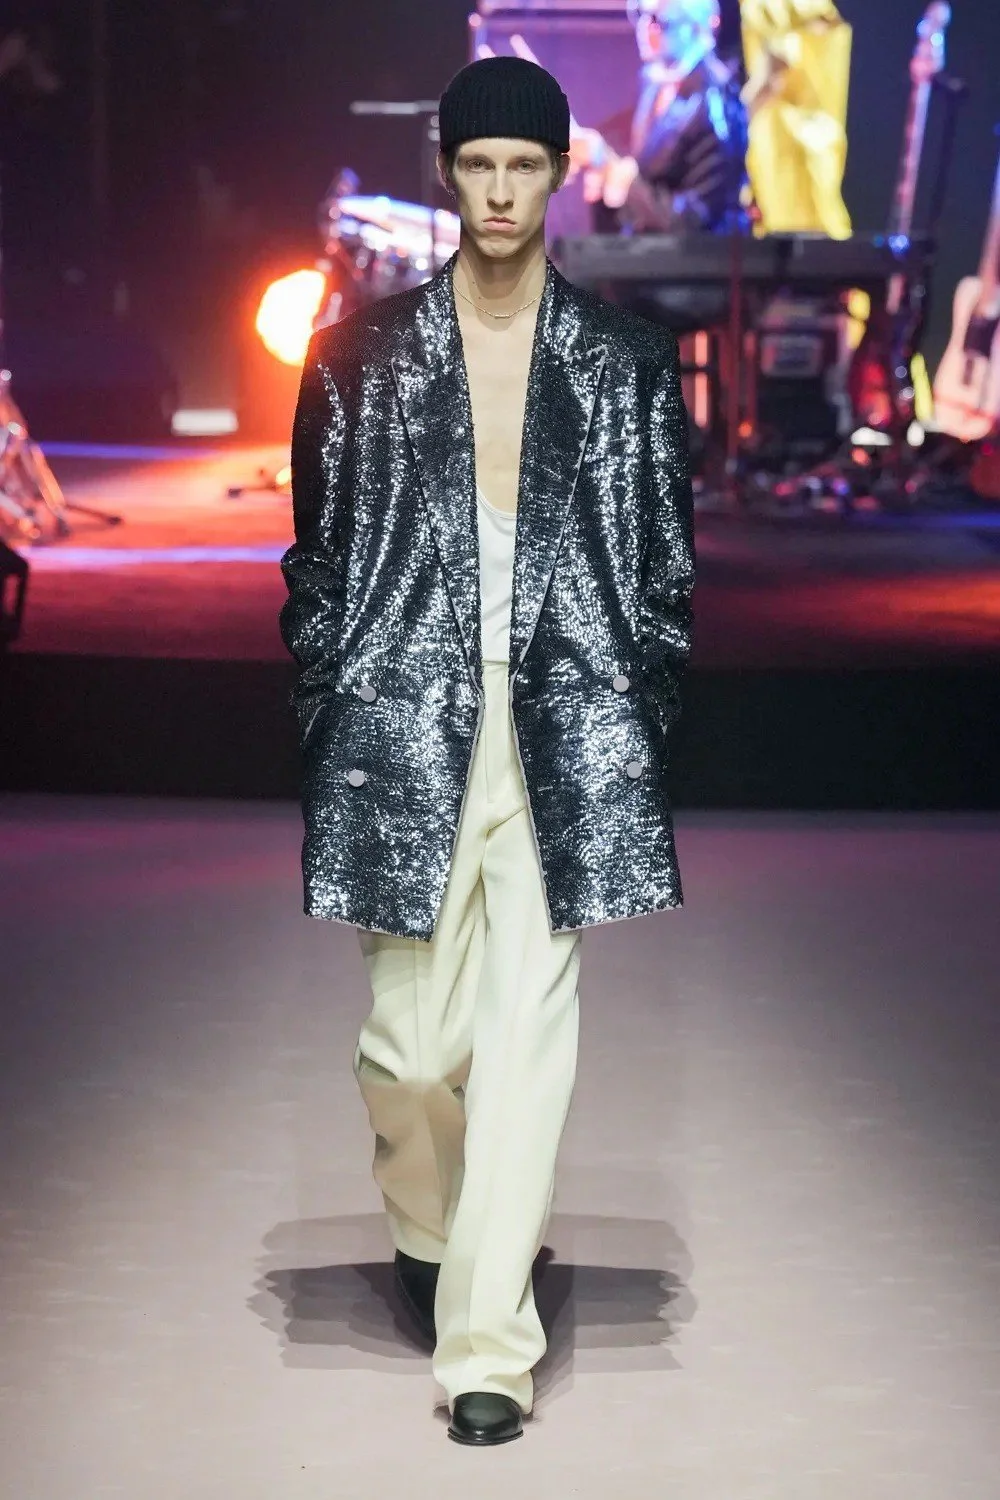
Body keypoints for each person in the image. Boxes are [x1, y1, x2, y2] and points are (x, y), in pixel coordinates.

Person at [279, 55, 694, 1448]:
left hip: (563, 728)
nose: (501, 189)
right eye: (479, 164)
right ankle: (432, 1227)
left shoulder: (626, 363)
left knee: (526, 1039)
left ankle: (487, 1351)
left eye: (524, 165)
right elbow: (317, 558)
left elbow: (664, 570)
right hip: (405, 725)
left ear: (558, 175)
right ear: (448, 174)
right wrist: (328, 700)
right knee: (409, 1053)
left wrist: (638, 712)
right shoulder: (357, 357)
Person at [567, 0, 748, 235]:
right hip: (654, 250)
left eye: (658, 21)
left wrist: (617, 174)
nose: (645, 28)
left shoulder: (714, 105)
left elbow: (695, 222)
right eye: (641, 15)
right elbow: (651, 179)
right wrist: (608, 179)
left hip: (703, 255)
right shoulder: (654, 84)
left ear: (697, 27)